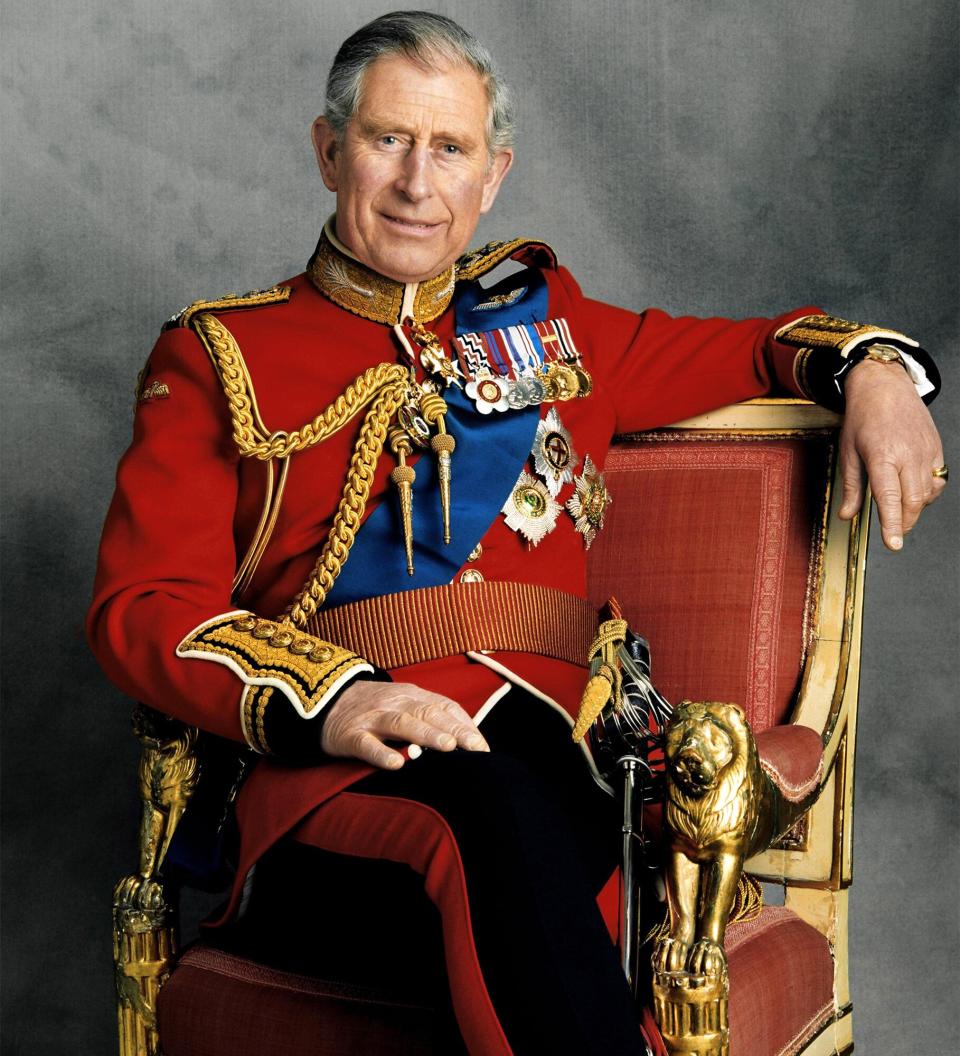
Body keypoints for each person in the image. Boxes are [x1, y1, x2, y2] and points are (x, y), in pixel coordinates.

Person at [88, 11, 946, 1055]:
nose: (418, 182)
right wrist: (333, 702)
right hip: (334, 800)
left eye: (449, 149)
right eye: (387, 140)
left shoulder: (555, 327)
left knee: (529, 796)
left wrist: (876, 370)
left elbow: (762, 351)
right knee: (486, 810)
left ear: (493, 176)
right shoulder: (221, 355)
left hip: (559, 772)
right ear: (329, 151)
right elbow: (143, 611)